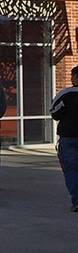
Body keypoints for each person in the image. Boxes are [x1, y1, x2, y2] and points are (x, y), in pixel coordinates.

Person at [50, 65, 78, 212]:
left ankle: (77, 199)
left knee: (71, 169)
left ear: (74, 77)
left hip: (68, 137)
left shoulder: (65, 94)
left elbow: (55, 113)